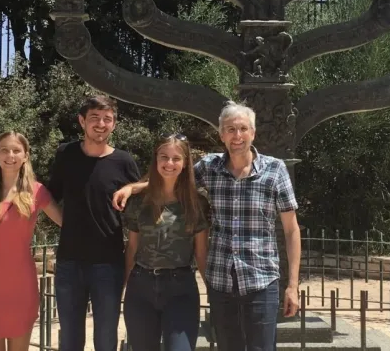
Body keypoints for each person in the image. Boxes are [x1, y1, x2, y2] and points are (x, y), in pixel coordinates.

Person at [112, 101, 302, 351]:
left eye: (243, 129)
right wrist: (134, 187)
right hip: (222, 281)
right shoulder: (210, 167)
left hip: (261, 279)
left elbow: (291, 230)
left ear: (253, 133)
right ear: (222, 135)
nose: (237, 135)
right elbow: (172, 175)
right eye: (231, 129)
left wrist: (292, 286)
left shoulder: (275, 170)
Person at [48, 95, 141, 351]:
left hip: (108, 264)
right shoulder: (66, 153)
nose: (101, 124)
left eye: (107, 119)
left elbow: (147, 186)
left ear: (114, 124)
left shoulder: (123, 161)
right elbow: (48, 197)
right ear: (82, 121)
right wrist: (64, 224)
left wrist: (131, 188)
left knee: (106, 337)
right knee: (69, 337)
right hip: (69, 262)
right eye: (94, 118)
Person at [0, 131, 63, 351]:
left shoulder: (37, 191)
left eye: (16, 150)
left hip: (22, 285)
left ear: (25, 155)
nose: (10, 155)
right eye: (4, 149)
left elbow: (67, 224)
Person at [122, 134, 209, 351]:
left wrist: (213, 293)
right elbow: (132, 248)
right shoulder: (138, 202)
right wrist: (121, 287)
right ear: (156, 159)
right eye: (164, 157)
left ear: (185, 163)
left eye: (176, 158)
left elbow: (201, 253)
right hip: (140, 287)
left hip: (180, 289)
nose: (169, 163)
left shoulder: (197, 203)